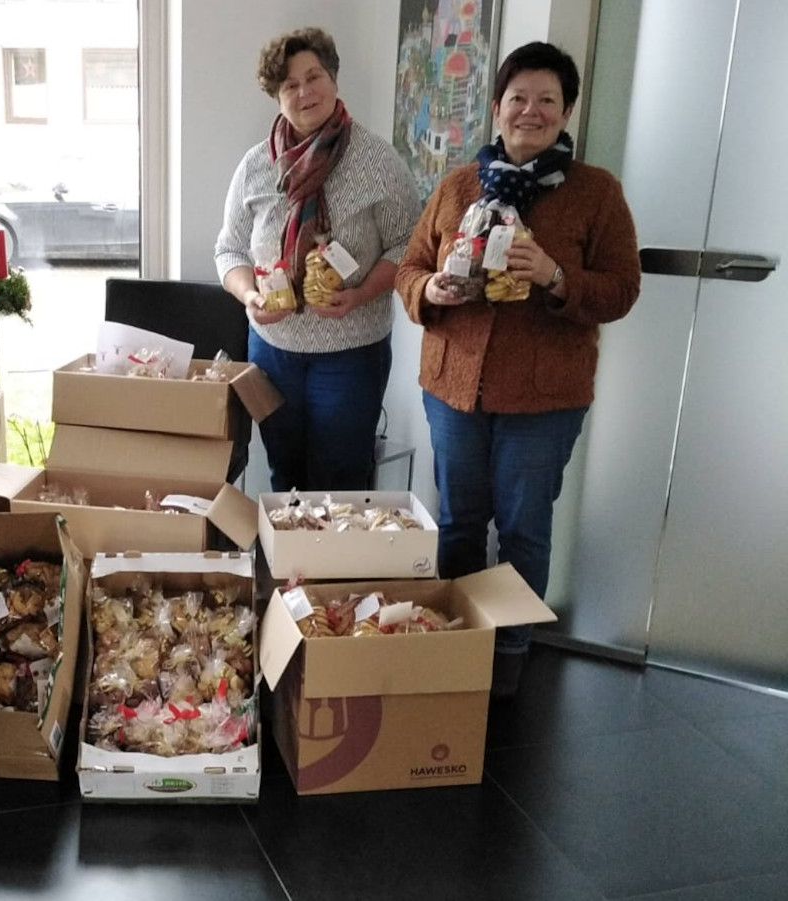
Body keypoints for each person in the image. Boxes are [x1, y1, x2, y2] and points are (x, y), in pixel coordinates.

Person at [395, 42, 641, 698]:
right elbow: (409, 268)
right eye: (518, 98)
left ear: (567, 114)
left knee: (525, 523)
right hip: (454, 387)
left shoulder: (596, 194)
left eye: (547, 100)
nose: (530, 111)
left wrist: (558, 276)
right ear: (498, 108)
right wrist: (431, 293)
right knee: (458, 521)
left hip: (544, 395)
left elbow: (622, 289)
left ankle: (509, 645)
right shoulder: (457, 186)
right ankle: (454, 634)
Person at [215, 27, 421, 492]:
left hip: (351, 353)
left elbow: (409, 245)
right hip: (273, 351)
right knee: (284, 477)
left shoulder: (378, 161)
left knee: (341, 481)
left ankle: (335, 564)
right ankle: (291, 566)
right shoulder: (255, 166)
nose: (305, 91)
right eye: (290, 85)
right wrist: (249, 295)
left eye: (314, 76)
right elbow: (229, 248)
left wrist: (361, 293)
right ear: (277, 96)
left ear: (334, 78)